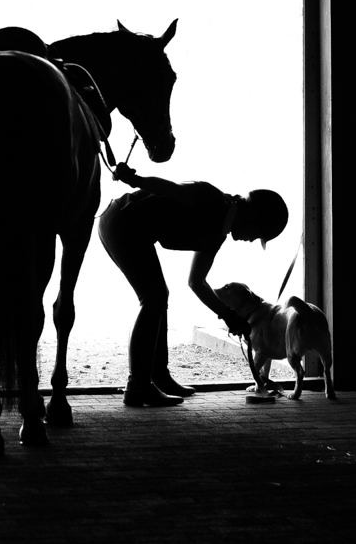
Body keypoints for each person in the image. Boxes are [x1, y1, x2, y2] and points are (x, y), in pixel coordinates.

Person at [99, 164, 289, 407]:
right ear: (252, 217)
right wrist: (134, 178)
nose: (252, 239)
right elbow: (168, 188)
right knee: (154, 296)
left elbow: (196, 282)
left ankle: (158, 377)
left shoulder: (218, 234)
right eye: (258, 233)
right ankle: (138, 386)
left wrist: (228, 315)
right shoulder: (211, 198)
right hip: (121, 220)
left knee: (158, 296)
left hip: (128, 226)